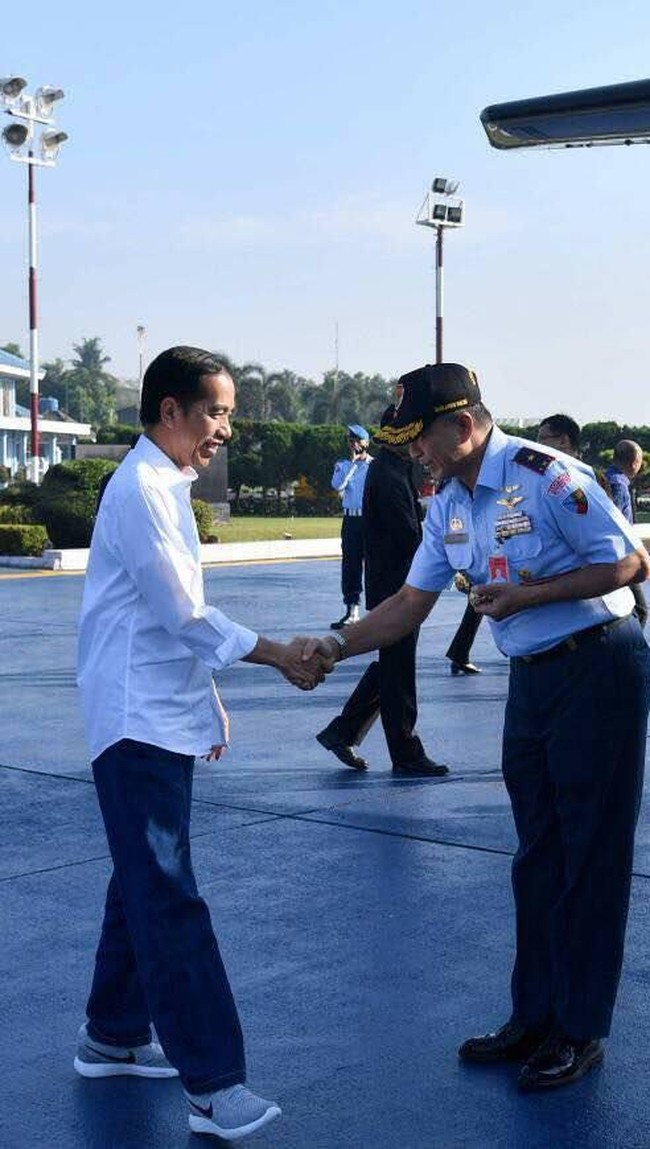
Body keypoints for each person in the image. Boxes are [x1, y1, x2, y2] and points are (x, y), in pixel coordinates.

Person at [304, 362, 650, 1092]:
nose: (412, 454)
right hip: (532, 682)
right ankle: (533, 1015)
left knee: (589, 855)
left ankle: (579, 1028)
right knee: (537, 856)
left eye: (418, 438)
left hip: (598, 669)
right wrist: (335, 645)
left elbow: (630, 560)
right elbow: (407, 605)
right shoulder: (450, 504)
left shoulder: (546, 476)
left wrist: (530, 595)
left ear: (462, 425)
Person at [76, 346, 328, 1142]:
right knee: (169, 897)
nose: (226, 426)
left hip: (154, 715)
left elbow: (160, 622)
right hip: (133, 722)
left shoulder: (163, 485)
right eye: (215, 410)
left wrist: (204, 707)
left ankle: (112, 1035)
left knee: (143, 879)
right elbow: (184, 613)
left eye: (228, 410)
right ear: (169, 411)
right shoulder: (144, 488)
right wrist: (281, 650)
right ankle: (215, 1084)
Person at [316, 406, 448, 776]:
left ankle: (343, 730)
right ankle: (404, 752)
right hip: (398, 590)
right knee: (398, 670)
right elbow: (409, 534)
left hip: (395, 585)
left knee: (393, 666)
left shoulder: (392, 469)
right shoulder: (389, 474)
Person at [330, 424, 373, 628]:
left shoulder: (375, 466)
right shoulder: (343, 465)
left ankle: (377, 612)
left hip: (369, 519)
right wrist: (353, 466)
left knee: (374, 566)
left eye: (356, 440)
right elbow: (337, 486)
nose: (352, 444)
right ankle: (352, 610)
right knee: (350, 565)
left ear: (365, 443)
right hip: (350, 520)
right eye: (350, 440)